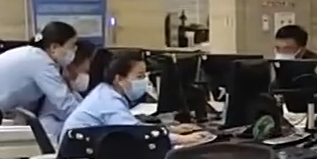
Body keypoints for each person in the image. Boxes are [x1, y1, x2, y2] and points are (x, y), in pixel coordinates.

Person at [0, 22, 84, 141]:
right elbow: (64, 101)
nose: (74, 51)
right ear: (54, 47)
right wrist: (88, 119)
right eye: (72, 45)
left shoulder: (31, 55)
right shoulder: (41, 62)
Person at [61, 51, 207, 146]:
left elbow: (134, 126)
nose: (144, 81)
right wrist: (182, 139)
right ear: (119, 79)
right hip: (80, 156)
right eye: (139, 76)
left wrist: (170, 129)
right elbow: (135, 133)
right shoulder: (108, 101)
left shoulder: (106, 92)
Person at [37, 40, 97, 145]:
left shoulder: (72, 92)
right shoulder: (57, 95)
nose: (86, 75)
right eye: (83, 71)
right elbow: (79, 115)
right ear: (69, 66)